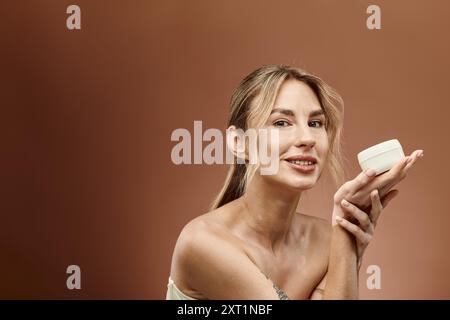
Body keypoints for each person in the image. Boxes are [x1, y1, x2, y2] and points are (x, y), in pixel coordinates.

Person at [166, 65, 423, 300]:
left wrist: (347, 233)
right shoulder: (203, 243)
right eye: (281, 123)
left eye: (315, 123)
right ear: (239, 143)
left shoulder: (326, 239)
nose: (307, 138)